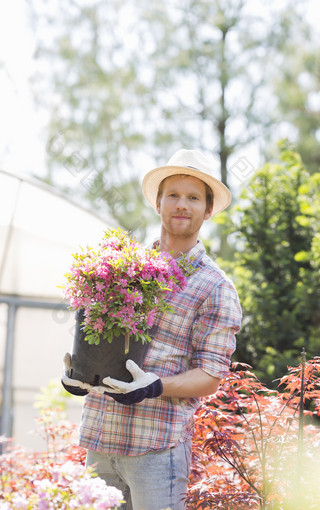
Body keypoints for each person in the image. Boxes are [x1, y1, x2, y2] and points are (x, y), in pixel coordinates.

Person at [62, 149, 242, 510]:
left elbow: (210, 375)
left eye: (193, 198)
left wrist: (154, 386)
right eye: (173, 195)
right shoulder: (124, 267)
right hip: (100, 439)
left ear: (208, 211)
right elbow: (98, 335)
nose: (181, 205)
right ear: (158, 202)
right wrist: (80, 372)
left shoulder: (215, 287)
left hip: (156, 450)